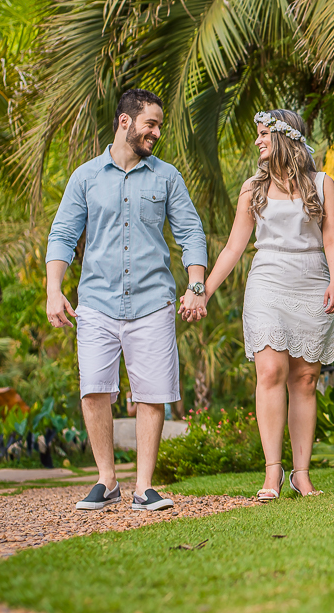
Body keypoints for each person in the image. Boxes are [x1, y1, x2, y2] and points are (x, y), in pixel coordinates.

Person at [46, 89, 209, 512]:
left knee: (153, 392)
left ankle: (143, 487)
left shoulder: (167, 177)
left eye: (159, 125)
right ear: (125, 122)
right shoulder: (85, 177)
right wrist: (53, 290)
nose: (157, 132)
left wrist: (195, 285)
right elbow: (62, 234)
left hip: (153, 301)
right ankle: (106, 480)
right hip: (97, 300)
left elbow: (190, 232)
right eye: (150, 124)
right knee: (95, 388)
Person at [195, 109, 334, 500]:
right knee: (272, 371)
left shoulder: (322, 184)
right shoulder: (252, 189)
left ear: (284, 135)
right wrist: (203, 290)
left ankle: (302, 474)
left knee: (305, 380)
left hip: (312, 280)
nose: (257, 141)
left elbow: (332, 241)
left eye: (263, 133)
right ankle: (271, 474)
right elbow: (232, 248)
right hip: (268, 281)